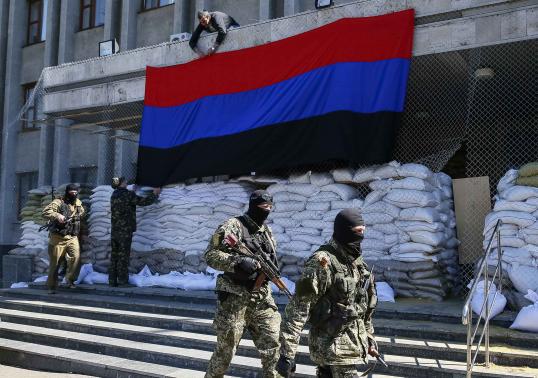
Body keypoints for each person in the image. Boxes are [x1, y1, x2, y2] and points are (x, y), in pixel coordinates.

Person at [277, 209, 379, 378]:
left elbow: (363, 307)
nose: (360, 237)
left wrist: (369, 336)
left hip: (351, 346)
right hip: (331, 347)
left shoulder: (357, 263)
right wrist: (287, 353)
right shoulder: (322, 262)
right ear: (343, 231)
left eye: (363, 231)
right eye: (356, 232)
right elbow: (298, 309)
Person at [204, 190, 281, 378]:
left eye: (270, 207)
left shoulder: (267, 232)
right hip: (234, 299)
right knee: (225, 352)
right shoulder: (233, 226)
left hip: (262, 299)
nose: (267, 211)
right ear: (253, 206)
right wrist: (237, 262)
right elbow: (211, 255)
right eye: (263, 207)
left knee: (274, 348)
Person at [109, 177, 160, 287]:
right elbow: (143, 202)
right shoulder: (128, 195)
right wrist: (155, 194)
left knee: (114, 255)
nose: (127, 183)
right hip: (125, 230)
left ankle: (112, 280)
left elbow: (127, 200)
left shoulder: (114, 195)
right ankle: (123, 281)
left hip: (115, 230)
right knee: (123, 256)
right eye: (125, 182)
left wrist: (132, 192)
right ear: (122, 183)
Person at [42, 183, 86, 294]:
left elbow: (82, 212)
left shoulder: (77, 203)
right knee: (55, 263)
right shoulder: (58, 202)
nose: (74, 194)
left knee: (76, 258)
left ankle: (70, 280)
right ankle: (52, 286)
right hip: (58, 238)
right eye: (72, 193)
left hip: (72, 236)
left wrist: (79, 214)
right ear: (67, 192)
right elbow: (46, 212)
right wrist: (58, 216)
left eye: (76, 193)